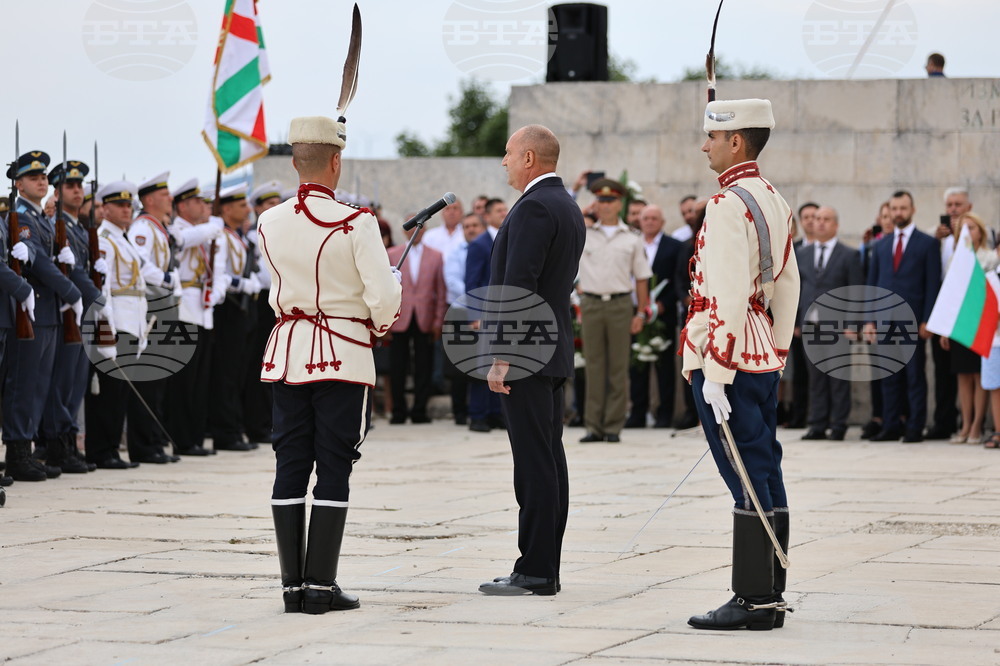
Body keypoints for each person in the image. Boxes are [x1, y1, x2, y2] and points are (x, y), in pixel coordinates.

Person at [258, 114, 401, 614]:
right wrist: (382, 315)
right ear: (336, 161)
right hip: (343, 354)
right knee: (335, 465)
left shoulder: (268, 220)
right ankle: (320, 586)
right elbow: (383, 298)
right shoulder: (358, 221)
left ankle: (291, 588)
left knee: (290, 464)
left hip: (287, 353)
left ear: (295, 162)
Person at [681, 98, 799, 631]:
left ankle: (753, 600)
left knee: (745, 475)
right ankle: (769, 594)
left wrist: (718, 372)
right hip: (761, 350)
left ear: (735, 141)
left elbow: (727, 293)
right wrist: (776, 347)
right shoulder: (773, 197)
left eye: (712, 137)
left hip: (728, 354)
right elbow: (789, 283)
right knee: (764, 468)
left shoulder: (728, 203)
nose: (704, 146)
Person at [479, 124, 585, 596]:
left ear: (528, 158)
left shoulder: (535, 206)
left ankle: (537, 570)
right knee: (547, 458)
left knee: (534, 463)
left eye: (508, 153)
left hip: (526, 353)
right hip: (549, 348)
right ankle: (542, 566)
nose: (503, 161)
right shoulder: (564, 203)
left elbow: (519, 286)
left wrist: (503, 355)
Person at [3, 150, 81, 482]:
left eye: (43, 176)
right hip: (29, 309)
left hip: (47, 310)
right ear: (18, 184)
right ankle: (18, 452)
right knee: (23, 383)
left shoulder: (41, 219)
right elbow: (41, 265)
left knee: (39, 385)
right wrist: (72, 292)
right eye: (32, 177)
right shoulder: (21, 216)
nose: (41, 181)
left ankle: (28, 448)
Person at [39, 160, 107, 474]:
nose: (78, 191)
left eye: (80, 186)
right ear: (57, 192)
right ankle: (56, 444)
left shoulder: (79, 228)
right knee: (62, 381)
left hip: (82, 313)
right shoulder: (56, 226)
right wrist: (96, 297)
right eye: (70, 186)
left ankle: (68, 441)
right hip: (66, 311)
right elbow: (72, 272)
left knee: (76, 381)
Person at [576, 178, 651, 443]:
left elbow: (641, 278)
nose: (605, 205)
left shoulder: (632, 238)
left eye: (610, 201)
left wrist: (640, 313)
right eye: (601, 200)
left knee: (618, 367)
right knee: (594, 366)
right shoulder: (584, 234)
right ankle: (593, 426)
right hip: (592, 303)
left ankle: (613, 426)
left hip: (620, 304)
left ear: (620, 204)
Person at [865, 190, 941, 443]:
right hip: (884, 320)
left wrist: (927, 319)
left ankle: (915, 427)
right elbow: (872, 285)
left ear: (912, 210)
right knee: (888, 377)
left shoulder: (928, 243)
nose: (898, 213)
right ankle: (891, 426)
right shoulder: (880, 245)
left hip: (913, 320)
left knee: (914, 376)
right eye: (894, 209)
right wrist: (870, 320)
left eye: (903, 208)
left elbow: (932, 285)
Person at [84, 182, 147, 470]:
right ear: (105, 209)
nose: (126, 210)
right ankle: (101, 450)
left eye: (128, 205)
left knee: (120, 392)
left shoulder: (123, 239)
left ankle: (110, 449)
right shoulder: (104, 240)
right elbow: (104, 288)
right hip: (115, 321)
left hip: (131, 322)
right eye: (119, 205)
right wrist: (104, 328)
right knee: (108, 392)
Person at [162, 179, 225, 457]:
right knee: (183, 382)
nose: (204, 206)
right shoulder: (178, 229)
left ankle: (195, 437)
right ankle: (182, 438)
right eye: (198, 202)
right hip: (183, 311)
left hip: (201, 310)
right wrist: (213, 226)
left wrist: (216, 293)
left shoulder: (203, 232)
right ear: (183, 206)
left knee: (199, 382)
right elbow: (185, 240)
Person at [126, 173, 180, 464]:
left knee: (161, 378)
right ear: (148, 199)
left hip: (164, 306)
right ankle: (144, 445)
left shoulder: (158, 227)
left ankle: (155, 441)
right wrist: (167, 278)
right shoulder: (142, 228)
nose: (170, 198)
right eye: (164, 194)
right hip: (151, 308)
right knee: (149, 376)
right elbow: (139, 263)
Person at [796, 206, 862, 441]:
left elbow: (856, 292)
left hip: (838, 327)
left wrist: (852, 323)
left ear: (836, 225)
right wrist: (796, 322)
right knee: (816, 380)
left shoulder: (849, 255)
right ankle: (817, 424)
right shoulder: (802, 254)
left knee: (838, 378)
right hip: (810, 326)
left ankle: (838, 425)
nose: (820, 222)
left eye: (826, 219)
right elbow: (797, 290)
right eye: (817, 219)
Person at [208, 184, 264, 451]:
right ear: (227, 209)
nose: (248, 209)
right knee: (227, 373)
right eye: (242, 205)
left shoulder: (237, 237)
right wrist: (242, 284)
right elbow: (219, 274)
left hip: (244, 309)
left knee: (239, 371)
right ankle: (226, 432)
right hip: (229, 308)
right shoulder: (221, 236)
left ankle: (235, 427)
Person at [939, 212, 997, 444]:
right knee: (963, 375)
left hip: (981, 323)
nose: (967, 232)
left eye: (971, 228)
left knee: (979, 374)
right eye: (963, 229)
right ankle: (965, 423)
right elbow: (949, 294)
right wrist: (945, 328)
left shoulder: (990, 258)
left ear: (980, 231)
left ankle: (976, 425)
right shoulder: (955, 258)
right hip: (961, 324)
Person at [625, 204, 683, 429]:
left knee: (665, 367)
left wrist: (663, 304)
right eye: (646, 218)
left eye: (654, 218)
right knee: (636, 365)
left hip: (663, 314)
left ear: (662, 222)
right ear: (639, 221)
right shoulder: (632, 243)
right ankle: (637, 414)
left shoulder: (674, 246)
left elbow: (678, 279)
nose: (649, 221)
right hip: (635, 313)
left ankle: (664, 415)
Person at [386, 223, 447, 424]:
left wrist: (438, 320)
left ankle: (420, 410)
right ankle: (398, 411)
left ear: (425, 229)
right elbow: (385, 288)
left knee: (424, 365)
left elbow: (440, 290)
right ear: (404, 231)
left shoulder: (436, 256)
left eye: (418, 227)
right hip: (398, 317)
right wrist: (384, 320)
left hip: (425, 318)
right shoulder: (392, 254)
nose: (415, 232)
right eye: (410, 227)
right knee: (397, 366)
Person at [926, 187, 972, 439]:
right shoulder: (936, 238)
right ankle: (944, 421)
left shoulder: (978, 234)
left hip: (967, 311)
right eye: (950, 205)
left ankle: (970, 422)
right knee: (942, 370)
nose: (953, 209)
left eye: (958, 204)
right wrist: (937, 238)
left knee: (968, 370)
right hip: (941, 311)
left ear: (969, 207)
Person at [465, 199, 508, 432]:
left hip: (504, 312)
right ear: (488, 216)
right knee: (482, 364)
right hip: (485, 313)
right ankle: (478, 414)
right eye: (499, 211)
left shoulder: (509, 237)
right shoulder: (479, 244)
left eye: (505, 209)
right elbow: (472, 282)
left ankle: (495, 412)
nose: (504, 213)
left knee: (499, 361)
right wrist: (475, 314)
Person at [442, 212, 485, 427]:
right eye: (467, 226)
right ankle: (459, 412)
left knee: (481, 362)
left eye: (475, 225)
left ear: (482, 227)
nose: (471, 229)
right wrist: (475, 297)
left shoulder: (488, 248)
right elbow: (452, 281)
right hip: (460, 312)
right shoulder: (455, 252)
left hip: (483, 311)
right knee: (458, 365)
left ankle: (481, 411)